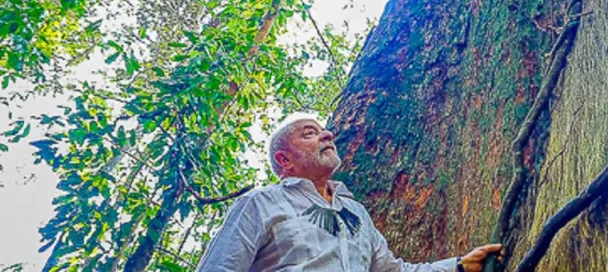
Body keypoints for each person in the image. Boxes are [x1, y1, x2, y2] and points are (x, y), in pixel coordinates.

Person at [197, 113, 502, 271]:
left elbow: (391, 271)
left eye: (324, 130)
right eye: (309, 133)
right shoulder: (260, 204)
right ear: (284, 160)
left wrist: (458, 267)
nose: (327, 135)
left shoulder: (354, 213)